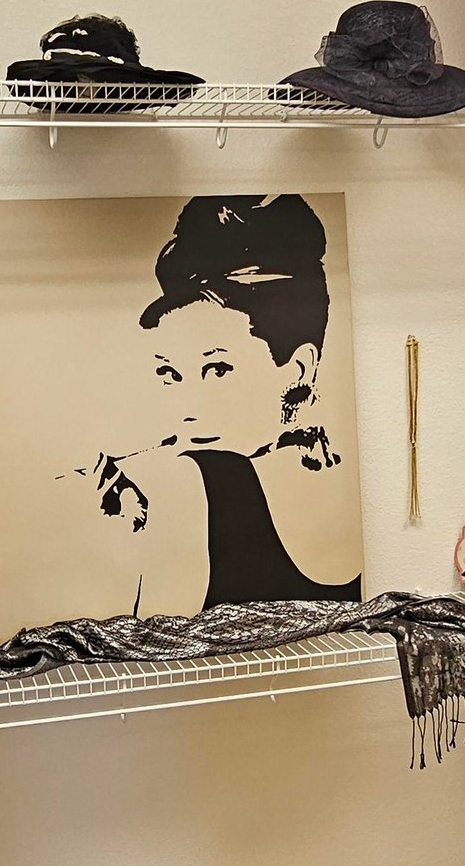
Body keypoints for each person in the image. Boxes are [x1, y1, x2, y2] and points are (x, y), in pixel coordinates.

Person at [71, 195, 359, 612]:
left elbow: (150, 671)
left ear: (298, 369)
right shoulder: (336, 478)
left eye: (218, 370)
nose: (187, 406)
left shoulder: (188, 484)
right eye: (169, 374)